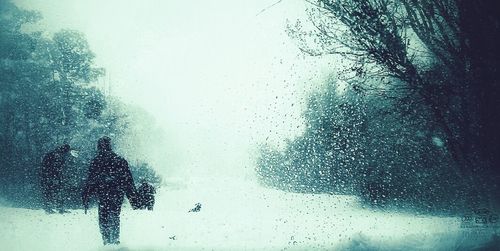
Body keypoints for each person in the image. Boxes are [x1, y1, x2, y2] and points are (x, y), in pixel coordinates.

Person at [82, 136, 138, 245]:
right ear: (110, 146)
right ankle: (115, 240)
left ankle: (106, 241)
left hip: (103, 193)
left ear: (99, 147)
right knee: (115, 215)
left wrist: (86, 196)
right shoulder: (119, 160)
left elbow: (90, 181)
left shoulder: (96, 161)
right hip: (117, 193)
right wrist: (133, 198)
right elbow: (128, 180)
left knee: (104, 216)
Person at [40, 144, 71, 214]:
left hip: (51, 176)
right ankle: (50, 208)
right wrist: (53, 176)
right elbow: (52, 167)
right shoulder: (55, 155)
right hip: (49, 176)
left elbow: (58, 167)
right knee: (51, 192)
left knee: (55, 191)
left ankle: (56, 208)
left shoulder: (56, 154)